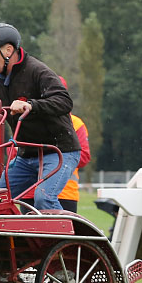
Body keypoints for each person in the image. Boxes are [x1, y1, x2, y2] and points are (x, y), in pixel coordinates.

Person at [0, 22, 81, 211]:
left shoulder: (37, 71)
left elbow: (64, 101)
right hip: (26, 155)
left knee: (44, 199)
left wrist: (31, 105)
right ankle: (10, 240)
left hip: (60, 151)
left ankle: (71, 240)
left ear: (8, 50)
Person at [18, 78, 91, 213]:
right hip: (29, 191)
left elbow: (84, 156)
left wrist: (51, 157)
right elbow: (15, 152)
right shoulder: (27, 120)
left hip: (64, 192)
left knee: (59, 231)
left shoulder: (76, 123)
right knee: (31, 233)